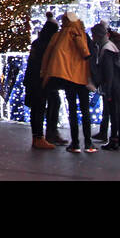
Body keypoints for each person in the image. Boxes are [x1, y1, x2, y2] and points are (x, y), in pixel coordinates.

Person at [40, 12, 96, 153]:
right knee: (85, 111)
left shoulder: (58, 36)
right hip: (82, 78)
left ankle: (75, 143)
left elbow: (48, 55)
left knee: (72, 110)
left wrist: (45, 73)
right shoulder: (83, 34)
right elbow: (91, 55)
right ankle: (89, 143)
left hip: (68, 78)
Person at [24, 13, 58, 149]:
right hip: (39, 81)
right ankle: (39, 137)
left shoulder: (37, 42)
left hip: (32, 80)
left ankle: (38, 137)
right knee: (39, 108)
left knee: (37, 108)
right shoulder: (46, 45)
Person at [97, 30, 120, 151]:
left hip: (114, 86)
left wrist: (107, 88)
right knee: (119, 112)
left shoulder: (108, 49)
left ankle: (114, 140)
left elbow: (109, 71)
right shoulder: (118, 50)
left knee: (114, 113)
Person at [89, 20, 110, 144]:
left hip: (108, 83)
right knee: (107, 109)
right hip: (105, 82)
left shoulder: (105, 47)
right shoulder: (101, 46)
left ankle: (111, 136)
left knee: (109, 109)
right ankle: (105, 132)